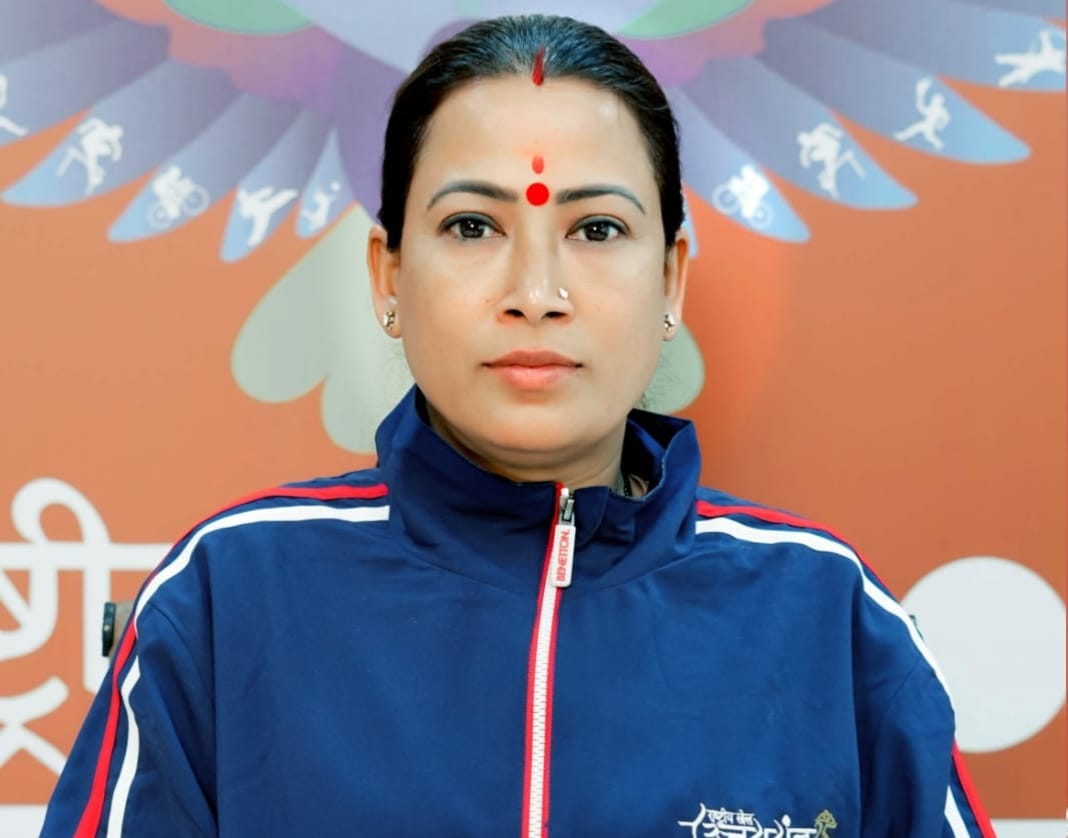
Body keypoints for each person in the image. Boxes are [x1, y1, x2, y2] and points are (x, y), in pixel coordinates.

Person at [42, 15, 993, 837]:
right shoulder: (224, 599)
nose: (536, 294)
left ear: (670, 280)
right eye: (471, 227)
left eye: (597, 230)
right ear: (387, 274)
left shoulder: (829, 617)